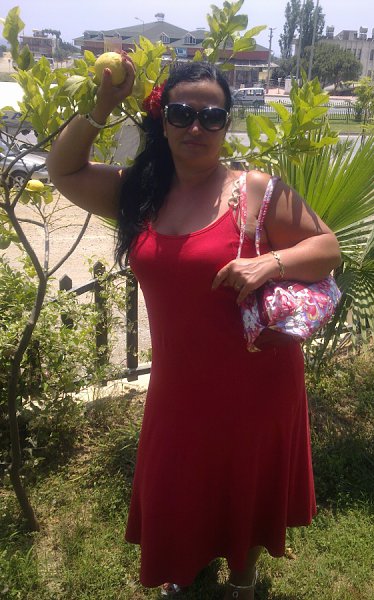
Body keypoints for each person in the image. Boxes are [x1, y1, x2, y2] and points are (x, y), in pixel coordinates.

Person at [47, 57, 341, 599]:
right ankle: (185, 566)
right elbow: (62, 172)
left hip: (257, 379)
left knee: (246, 478)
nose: (196, 127)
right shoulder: (140, 193)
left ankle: (244, 579)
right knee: (181, 481)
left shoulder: (254, 191)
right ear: (163, 121)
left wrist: (269, 263)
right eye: (182, 114)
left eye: (212, 116)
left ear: (227, 124)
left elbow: (327, 249)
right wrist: (104, 104)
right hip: (179, 384)